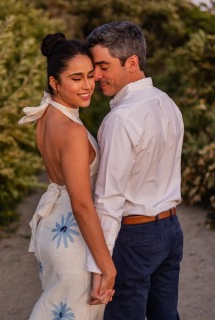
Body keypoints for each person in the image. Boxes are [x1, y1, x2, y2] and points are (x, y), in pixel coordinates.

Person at [85, 21, 185, 320]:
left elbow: (108, 200)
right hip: (170, 231)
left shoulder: (121, 119)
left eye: (103, 66)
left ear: (131, 63)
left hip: (135, 235)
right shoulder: (168, 103)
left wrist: (99, 267)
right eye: (93, 67)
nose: (96, 76)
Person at [18, 33, 116, 320]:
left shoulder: (46, 114)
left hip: (52, 228)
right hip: (72, 237)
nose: (87, 86)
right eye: (76, 78)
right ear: (54, 82)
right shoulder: (71, 131)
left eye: (89, 76)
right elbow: (82, 206)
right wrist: (107, 267)